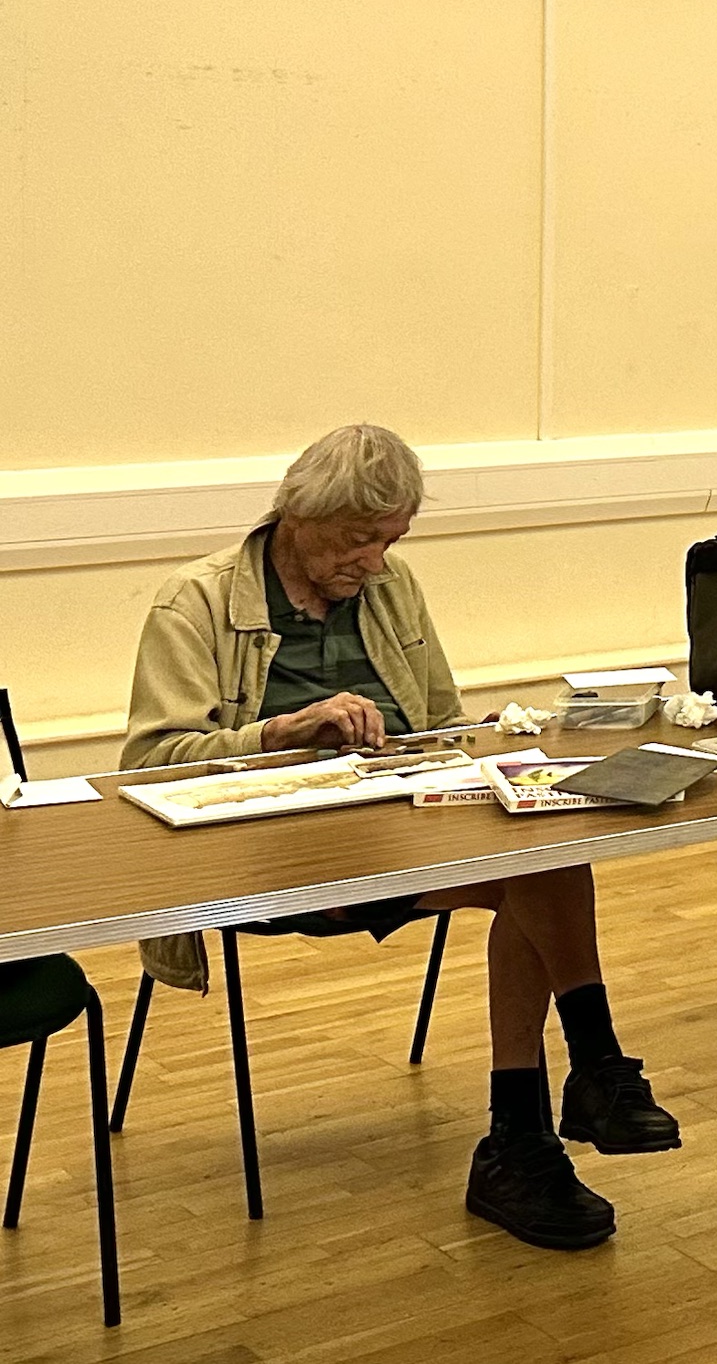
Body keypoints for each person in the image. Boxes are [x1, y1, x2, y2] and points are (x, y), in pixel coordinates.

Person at [122, 424, 679, 1252]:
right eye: (359, 539)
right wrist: (280, 732)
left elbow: (439, 723)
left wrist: (485, 746)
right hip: (266, 859)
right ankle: (566, 1096)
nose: (376, 561)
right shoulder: (195, 601)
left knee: (544, 847)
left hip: (399, 833)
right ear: (297, 516)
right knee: (535, 871)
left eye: (391, 539)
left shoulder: (390, 587)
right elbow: (149, 766)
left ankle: (539, 1123)